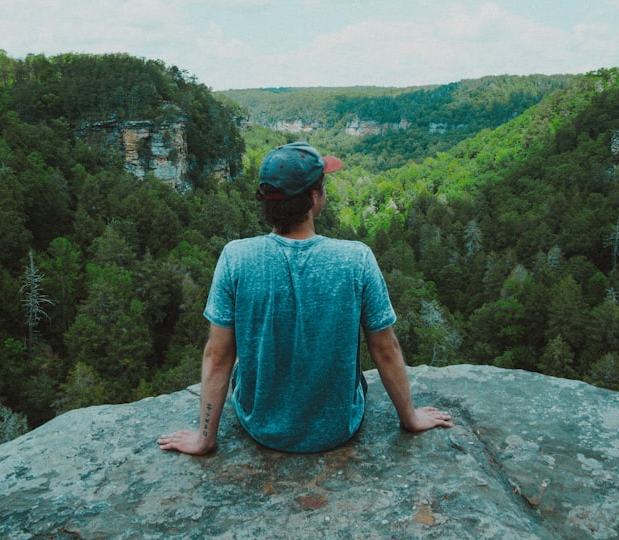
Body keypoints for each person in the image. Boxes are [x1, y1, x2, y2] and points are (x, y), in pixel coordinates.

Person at [158, 141, 452, 455]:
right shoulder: (355, 259)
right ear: (314, 199)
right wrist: (411, 419)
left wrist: (204, 439)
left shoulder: (236, 257)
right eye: (322, 187)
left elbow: (218, 356)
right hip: (338, 428)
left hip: (260, 426)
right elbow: (385, 350)